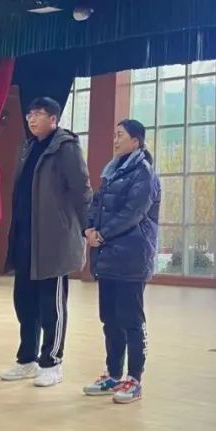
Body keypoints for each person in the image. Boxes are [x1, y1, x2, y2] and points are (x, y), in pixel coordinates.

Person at [0, 96, 92, 388]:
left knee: (51, 305)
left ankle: (52, 361)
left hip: (54, 239)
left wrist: (88, 227)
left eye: (38, 114)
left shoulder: (65, 147)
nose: (31, 118)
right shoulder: (28, 147)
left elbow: (81, 189)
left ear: (54, 119)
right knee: (24, 303)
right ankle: (26, 360)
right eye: (29, 114)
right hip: (25, 236)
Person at [82, 119, 159, 404]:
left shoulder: (144, 173)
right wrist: (89, 229)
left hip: (131, 258)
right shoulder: (112, 172)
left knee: (131, 321)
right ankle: (113, 374)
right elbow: (96, 204)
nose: (115, 140)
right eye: (114, 135)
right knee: (110, 320)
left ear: (136, 141)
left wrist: (102, 234)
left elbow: (132, 212)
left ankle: (134, 380)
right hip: (108, 256)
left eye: (120, 136)